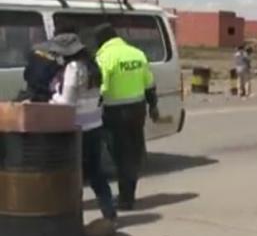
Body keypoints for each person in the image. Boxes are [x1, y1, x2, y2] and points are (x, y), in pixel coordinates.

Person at [21, 26, 117, 220]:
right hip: (95, 126)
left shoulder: (73, 69)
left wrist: (51, 96)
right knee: (96, 173)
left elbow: (67, 103)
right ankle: (109, 213)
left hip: (77, 128)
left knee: (72, 173)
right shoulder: (93, 66)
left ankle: (72, 217)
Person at [94, 23, 159, 210]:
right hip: (138, 110)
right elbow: (149, 84)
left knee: (120, 155)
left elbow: (101, 88)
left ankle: (125, 199)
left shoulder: (104, 57)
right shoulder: (136, 53)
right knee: (132, 152)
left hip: (114, 113)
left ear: (102, 40)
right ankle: (128, 194)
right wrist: (153, 106)